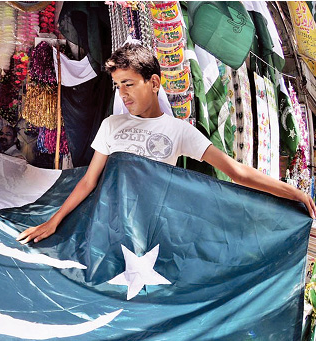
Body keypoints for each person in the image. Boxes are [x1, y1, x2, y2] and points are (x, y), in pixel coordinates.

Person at [17, 43, 316, 244]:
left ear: (154, 83)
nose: (123, 94)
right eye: (118, 86)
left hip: (149, 232)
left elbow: (237, 172)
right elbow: (88, 182)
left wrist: (293, 192)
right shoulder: (112, 125)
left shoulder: (179, 131)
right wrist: (54, 221)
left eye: (129, 84)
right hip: (104, 225)